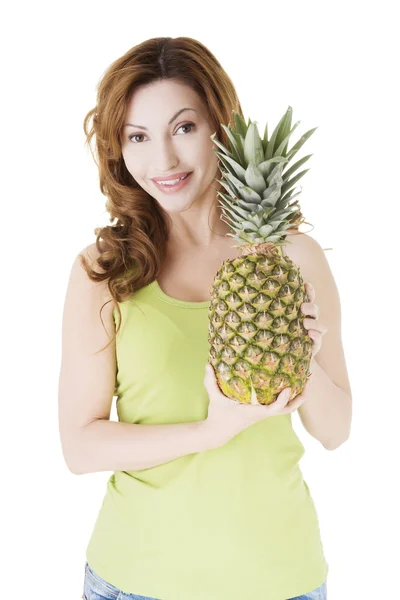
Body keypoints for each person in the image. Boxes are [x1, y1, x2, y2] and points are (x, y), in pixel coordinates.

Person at [58, 36, 351, 600]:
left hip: (281, 579)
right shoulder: (104, 271)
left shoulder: (291, 258)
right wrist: (212, 431)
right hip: (137, 581)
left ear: (222, 126)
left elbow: (335, 432)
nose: (162, 161)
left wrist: (301, 356)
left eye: (184, 128)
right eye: (137, 137)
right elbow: (81, 446)